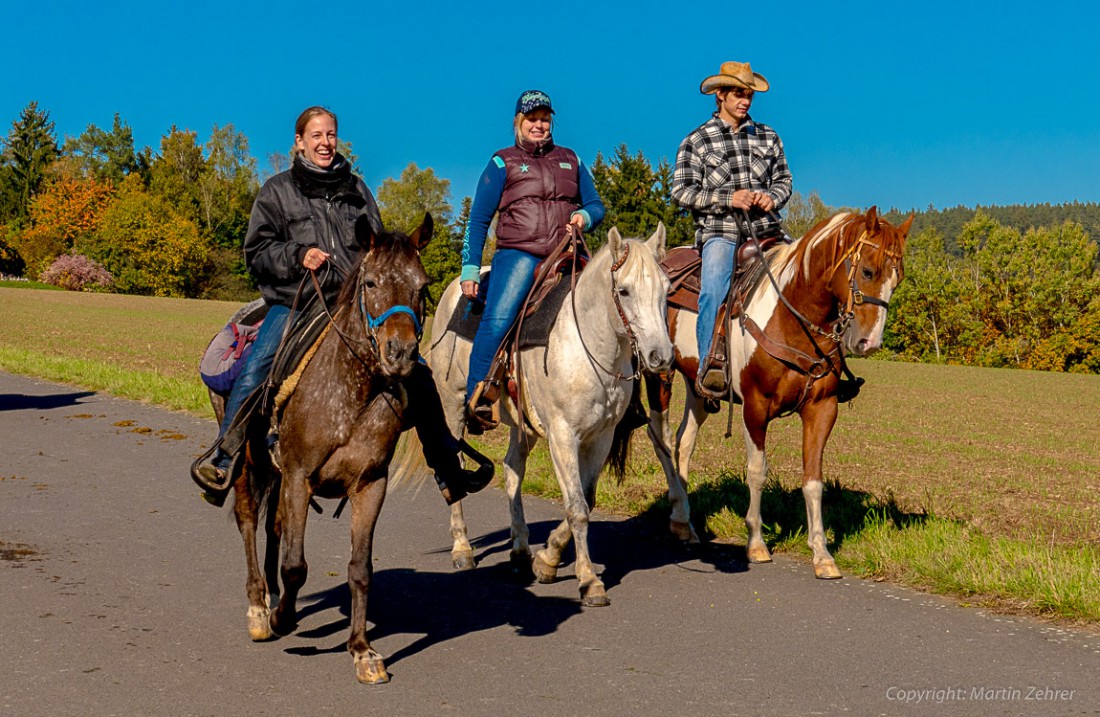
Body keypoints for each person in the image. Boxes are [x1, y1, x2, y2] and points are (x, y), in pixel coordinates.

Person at [192, 106, 491, 506]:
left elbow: (378, 249)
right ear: (299, 142)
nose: (325, 142)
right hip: (297, 300)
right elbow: (257, 251)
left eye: (330, 134)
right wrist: (298, 254)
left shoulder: (357, 190)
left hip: (355, 304)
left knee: (419, 373)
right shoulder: (277, 191)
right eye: (316, 136)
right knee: (260, 362)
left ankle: (446, 467)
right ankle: (226, 456)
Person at [460, 90, 606, 431]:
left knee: (611, 305)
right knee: (497, 319)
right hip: (519, 253)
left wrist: (585, 215)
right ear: (518, 122)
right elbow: (479, 219)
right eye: (531, 119)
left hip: (568, 252)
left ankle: (624, 402)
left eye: (544, 119)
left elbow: (597, 204)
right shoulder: (502, 162)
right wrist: (470, 267)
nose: (538, 125)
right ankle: (477, 397)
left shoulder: (572, 159)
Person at [671, 61, 793, 400]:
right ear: (720, 95)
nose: (746, 100)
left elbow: (784, 180)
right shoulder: (696, 141)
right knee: (712, 289)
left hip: (768, 230)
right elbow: (681, 191)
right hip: (721, 232)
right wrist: (729, 197)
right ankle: (710, 365)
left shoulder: (768, 136)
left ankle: (827, 362)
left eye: (749, 94)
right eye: (739, 93)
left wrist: (771, 197)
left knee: (813, 275)